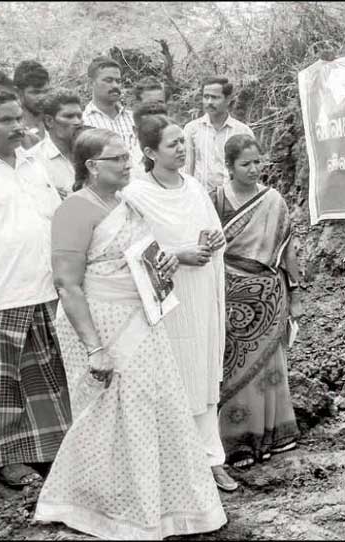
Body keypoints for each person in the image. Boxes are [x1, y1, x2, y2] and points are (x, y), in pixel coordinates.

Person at [34, 128, 227, 539]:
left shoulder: (124, 203)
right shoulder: (75, 210)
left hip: (143, 318)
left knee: (153, 406)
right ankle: (101, 505)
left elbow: (139, 258)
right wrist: (95, 349)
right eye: (117, 158)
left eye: (127, 157)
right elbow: (68, 285)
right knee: (109, 413)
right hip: (100, 324)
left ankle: (163, 505)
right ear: (91, 166)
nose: (128, 164)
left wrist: (164, 267)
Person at [122, 114, 237, 492]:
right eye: (173, 145)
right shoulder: (136, 194)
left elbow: (214, 233)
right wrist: (180, 254)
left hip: (202, 292)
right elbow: (132, 250)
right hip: (165, 300)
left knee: (203, 372)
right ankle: (175, 465)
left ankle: (211, 460)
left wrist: (212, 243)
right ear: (150, 152)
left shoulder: (194, 187)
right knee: (173, 376)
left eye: (183, 143)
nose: (181, 149)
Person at [0, 85, 69, 488]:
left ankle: (52, 451)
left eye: (19, 118)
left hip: (47, 285)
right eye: (6, 120)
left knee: (49, 377)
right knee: (6, 385)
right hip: (2, 291)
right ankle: (6, 459)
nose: (18, 127)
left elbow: (55, 215)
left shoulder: (33, 164)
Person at [209, 134, 301, 469]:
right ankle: (238, 443)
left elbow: (287, 248)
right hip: (230, 296)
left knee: (269, 367)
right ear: (229, 167)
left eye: (257, 162)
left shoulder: (273, 200)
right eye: (245, 164)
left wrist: (296, 294)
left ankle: (275, 434)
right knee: (233, 367)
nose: (253, 169)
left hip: (269, 293)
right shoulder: (216, 200)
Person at [184, 76, 255, 192]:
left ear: (228, 99)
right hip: (201, 198)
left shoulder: (243, 132)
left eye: (215, 98)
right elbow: (187, 169)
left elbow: (250, 169)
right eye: (206, 97)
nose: (209, 102)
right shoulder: (191, 129)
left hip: (234, 199)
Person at [31, 89, 83, 199]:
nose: (77, 122)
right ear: (49, 121)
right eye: (69, 116)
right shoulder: (34, 160)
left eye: (79, 116)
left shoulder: (93, 151)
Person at [82, 56, 136, 153]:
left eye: (118, 81)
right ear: (91, 83)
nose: (115, 85)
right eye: (108, 80)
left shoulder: (134, 119)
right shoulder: (83, 123)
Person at [13, 60, 50, 149]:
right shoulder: (11, 131)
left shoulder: (55, 122)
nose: (42, 97)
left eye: (46, 92)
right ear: (18, 92)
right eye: (35, 93)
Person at [130, 101, 168, 179]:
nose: (159, 133)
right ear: (135, 131)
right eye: (152, 129)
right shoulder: (126, 164)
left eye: (164, 128)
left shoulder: (181, 156)